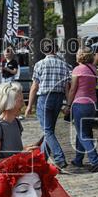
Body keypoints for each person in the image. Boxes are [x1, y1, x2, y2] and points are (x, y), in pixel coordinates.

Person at [25, 39, 70, 168]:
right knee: (49, 131)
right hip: (58, 98)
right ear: (55, 50)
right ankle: (42, 160)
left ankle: (59, 158)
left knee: (48, 131)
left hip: (45, 98)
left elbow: (35, 86)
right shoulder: (64, 64)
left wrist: (29, 105)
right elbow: (67, 87)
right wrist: (68, 104)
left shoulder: (39, 64)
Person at [66, 47, 98, 172]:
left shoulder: (78, 69)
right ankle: (78, 159)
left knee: (82, 133)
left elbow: (73, 89)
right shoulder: (94, 69)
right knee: (83, 132)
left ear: (81, 55)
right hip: (92, 104)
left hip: (80, 103)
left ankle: (95, 159)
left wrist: (68, 104)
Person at [0, 81, 26, 171]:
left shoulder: (16, 122)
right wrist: (22, 155)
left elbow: (15, 151)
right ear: (9, 103)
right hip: (2, 178)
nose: (23, 104)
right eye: (20, 101)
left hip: (16, 172)